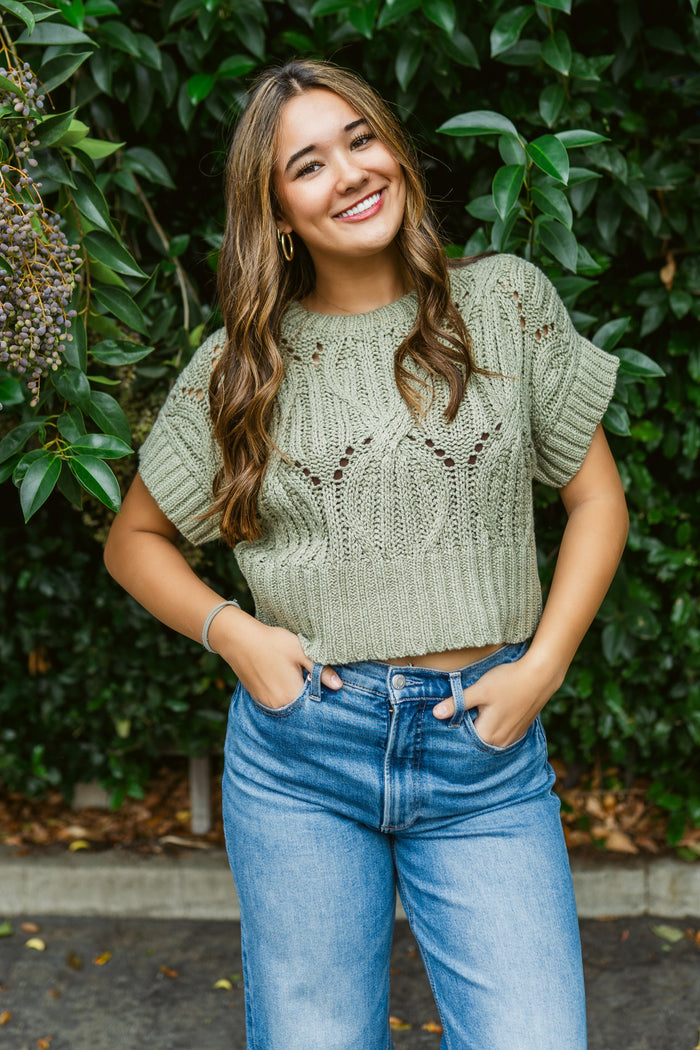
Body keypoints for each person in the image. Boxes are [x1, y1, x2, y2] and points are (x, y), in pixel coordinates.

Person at [104, 58, 628, 1050]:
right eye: (307, 165)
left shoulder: (505, 305)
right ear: (277, 212)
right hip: (305, 751)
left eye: (359, 139)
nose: (348, 173)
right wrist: (235, 635)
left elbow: (597, 498)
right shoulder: (238, 371)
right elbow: (134, 541)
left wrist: (544, 666)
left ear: (394, 150)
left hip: (485, 754)